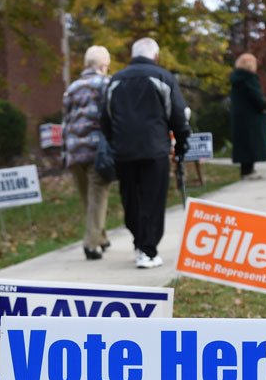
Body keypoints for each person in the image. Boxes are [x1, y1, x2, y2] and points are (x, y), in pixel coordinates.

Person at [100, 37, 191, 269]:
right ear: (156, 56)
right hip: (155, 149)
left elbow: (106, 119)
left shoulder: (116, 81)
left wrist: (114, 143)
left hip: (124, 151)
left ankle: (141, 243)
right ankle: (148, 249)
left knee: (131, 199)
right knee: (152, 200)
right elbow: (178, 116)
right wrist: (181, 145)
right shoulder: (163, 77)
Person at [63, 45, 112, 260]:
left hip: (74, 149)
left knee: (87, 198)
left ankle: (101, 237)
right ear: (103, 65)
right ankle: (91, 244)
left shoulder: (72, 87)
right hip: (96, 150)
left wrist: (65, 152)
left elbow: (65, 121)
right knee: (98, 196)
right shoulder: (105, 84)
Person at [229, 53, 266, 180]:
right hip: (251, 117)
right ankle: (249, 170)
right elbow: (256, 97)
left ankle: (245, 169)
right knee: (252, 143)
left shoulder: (236, 78)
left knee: (243, 144)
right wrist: (263, 104)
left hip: (239, 117)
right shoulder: (249, 78)